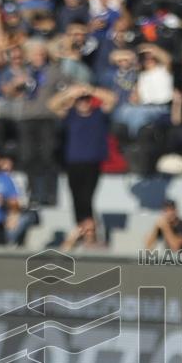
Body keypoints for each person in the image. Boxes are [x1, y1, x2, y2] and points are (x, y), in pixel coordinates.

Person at [49, 83, 118, 248]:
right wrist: (70, 92)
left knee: (87, 198)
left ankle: (91, 233)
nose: (84, 102)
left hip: (92, 163)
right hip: (73, 163)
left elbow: (112, 99)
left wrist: (91, 90)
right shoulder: (70, 115)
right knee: (76, 199)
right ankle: (83, 230)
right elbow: (52, 105)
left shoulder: (98, 114)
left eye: (86, 100)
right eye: (81, 100)